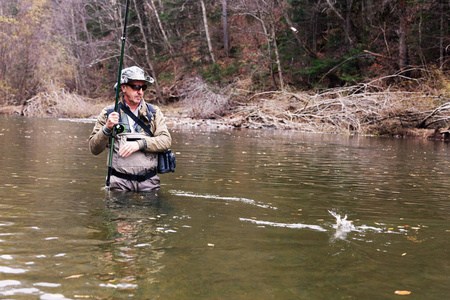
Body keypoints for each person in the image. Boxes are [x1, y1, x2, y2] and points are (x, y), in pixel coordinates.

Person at [89, 66, 172, 191]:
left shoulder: (154, 112)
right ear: (123, 87)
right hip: (119, 184)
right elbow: (94, 148)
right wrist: (107, 128)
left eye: (143, 87)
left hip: (149, 184)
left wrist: (140, 144)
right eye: (136, 87)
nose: (140, 92)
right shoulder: (108, 113)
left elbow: (166, 140)